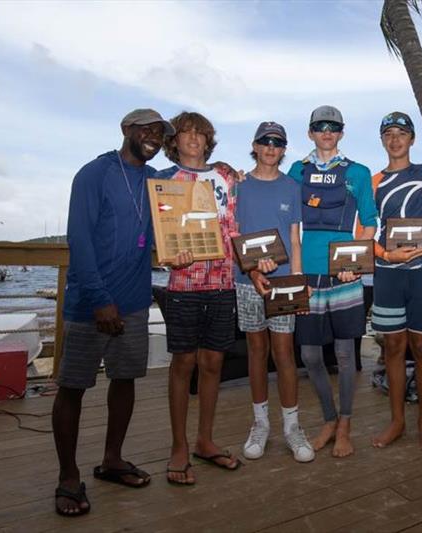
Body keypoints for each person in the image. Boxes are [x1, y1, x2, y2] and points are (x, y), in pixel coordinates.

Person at [53, 109, 174, 516]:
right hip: (91, 303)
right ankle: (68, 476)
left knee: (125, 382)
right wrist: (100, 299)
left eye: (159, 132)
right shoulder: (95, 173)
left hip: (136, 302)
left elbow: (182, 212)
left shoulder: (158, 181)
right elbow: (79, 239)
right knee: (72, 387)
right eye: (146, 129)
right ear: (127, 130)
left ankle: (112, 459)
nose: (153, 136)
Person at [154, 111, 241, 485]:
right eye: (186, 132)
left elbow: (234, 228)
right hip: (183, 285)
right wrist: (167, 256)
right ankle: (179, 445)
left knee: (213, 363)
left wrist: (252, 267)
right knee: (183, 364)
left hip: (223, 282)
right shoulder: (162, 180)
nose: (193, 138)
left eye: (200, 133)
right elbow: (159, 238)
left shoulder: (226, 177)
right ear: (174, 141)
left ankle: (205, 440)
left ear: (208, 140)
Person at [287, 105, 378, 457]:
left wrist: (355, 261)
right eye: (319, 126)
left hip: (344, 273)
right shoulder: (297, 171)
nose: (326, 131)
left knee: (344, 355)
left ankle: (345, 424)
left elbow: (369, 222)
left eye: (333, 126)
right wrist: (296, 274)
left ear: (341, 133)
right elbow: (292, 226)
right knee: (309, 355)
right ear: (310, 133)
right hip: (307, 273)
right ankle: (327, 419)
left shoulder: (357, 172)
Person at [367, 112, 422, 452]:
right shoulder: (372, 182)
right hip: (388, 272)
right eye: (388, 133)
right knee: (393, 349)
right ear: (383, 140)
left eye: (402, 133)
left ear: (412, 139)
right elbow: (366, 233)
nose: (395, 139)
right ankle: (397, 421)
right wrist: (386, 256)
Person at [236, 122, 315, 463]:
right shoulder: (237, 185)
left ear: (284, 150)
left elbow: (294, 239)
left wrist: (298, 282)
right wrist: (250, 269)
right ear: (254, 145)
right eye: (265, 141)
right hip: (245, 281)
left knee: (284, 354)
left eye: (277, 142)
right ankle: (260, 424)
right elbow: (232, 234)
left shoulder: (291, 187)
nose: (271, 147)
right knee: (256, 352)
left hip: (283, 284)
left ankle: (292, 427)